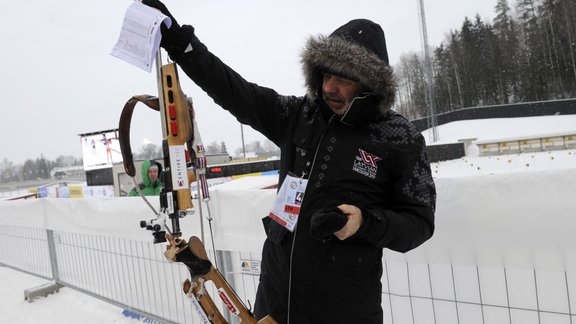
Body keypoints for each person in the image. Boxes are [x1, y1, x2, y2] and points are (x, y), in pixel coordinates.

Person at [142, 1, 436, 323]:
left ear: (370, 84)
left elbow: (419, 224)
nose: (328, 88)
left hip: (344, 309)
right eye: (325, 75)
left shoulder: (399, 138)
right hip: (275, 301)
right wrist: (183, 48)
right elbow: (236, 91)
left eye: (343, 80)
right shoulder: (300, 115)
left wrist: (363, 222)